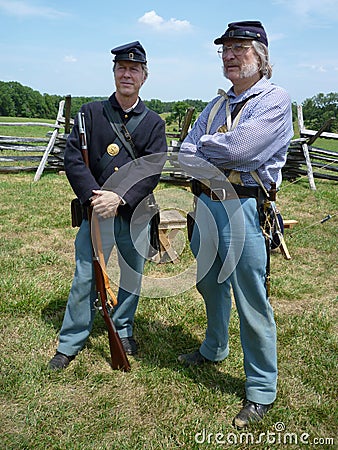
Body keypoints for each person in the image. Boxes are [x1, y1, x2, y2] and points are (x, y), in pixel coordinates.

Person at [178, 21, 293, 428]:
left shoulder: (274, 99)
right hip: (205, 203)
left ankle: (261, 388)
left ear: (260, 56)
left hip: (243, 206)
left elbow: (241, 152)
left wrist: (206, 148)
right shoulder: (216, 104)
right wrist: (209, 150)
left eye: (239, 48)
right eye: (224, 49)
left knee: (251, 297)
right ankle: (214, 347)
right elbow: (184, 153)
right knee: (209, 282)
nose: (229, 55)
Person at [49, 41, 167, 370]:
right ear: (114, 73)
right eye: (121, 68)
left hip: (135, 211)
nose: (126, 74)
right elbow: (73, 160)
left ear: (145, 76)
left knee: (131, 275)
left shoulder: (154, 123)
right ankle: (71, 340)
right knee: (86, 276)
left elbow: (152, 168)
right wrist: (94, 196)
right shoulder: (90, 113)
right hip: (96, 208)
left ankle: (124, 327)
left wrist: (121, 198)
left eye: (134, 69)